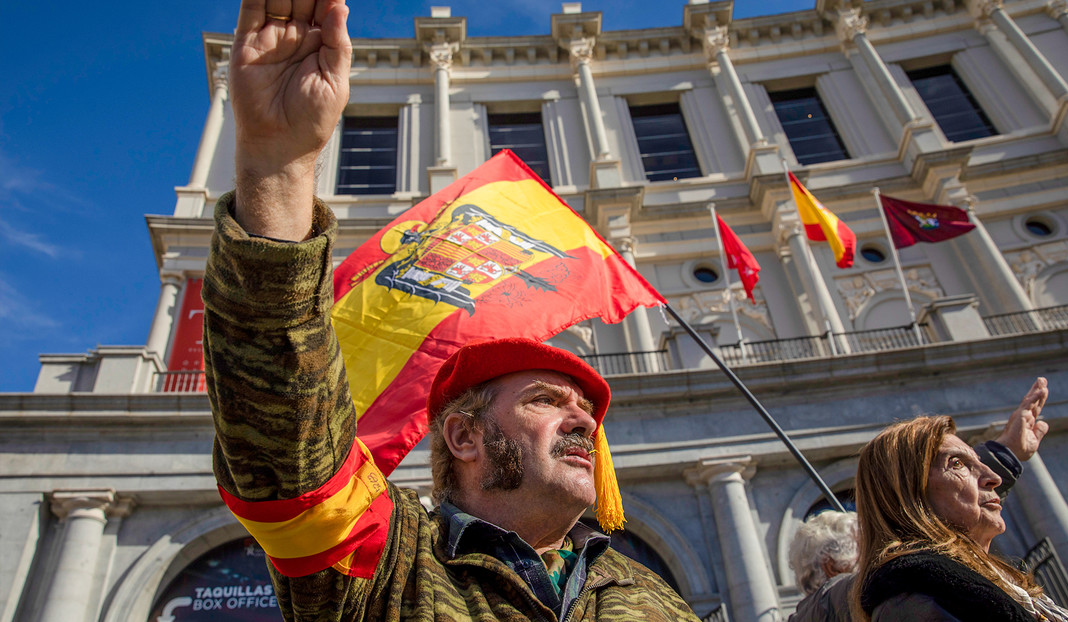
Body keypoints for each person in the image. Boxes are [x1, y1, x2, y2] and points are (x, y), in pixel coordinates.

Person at [204, 1, 698, 620]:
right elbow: (284, 431)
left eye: (586, 409)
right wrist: (278, 167)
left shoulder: (651, 595)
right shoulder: (391, 563)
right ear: (464, 435)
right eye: (546, 400)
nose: (586, 423)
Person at [788, 377, 1050, 622]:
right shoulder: (898, 587)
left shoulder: (925, 582)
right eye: (869, 544)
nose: (878, 550)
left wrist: (1003, 452)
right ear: (831, 566)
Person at [851, 379, 1068, 621]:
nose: (994, 478)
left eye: (981, 463)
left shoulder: (971, 588)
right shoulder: (913, 603)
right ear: (908, 493)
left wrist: (1007, 452)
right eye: (957, 464)